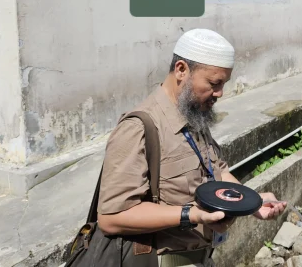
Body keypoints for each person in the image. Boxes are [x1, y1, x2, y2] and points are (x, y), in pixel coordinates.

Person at [98, 29, 286, 266]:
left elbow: (217, 172)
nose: (220, 93)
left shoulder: (194, 114)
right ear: (181, 70)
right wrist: (192, 215)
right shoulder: (138, 128)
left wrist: (251, 202)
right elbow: (111, 217)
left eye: (223, 84)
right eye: (214, 83)